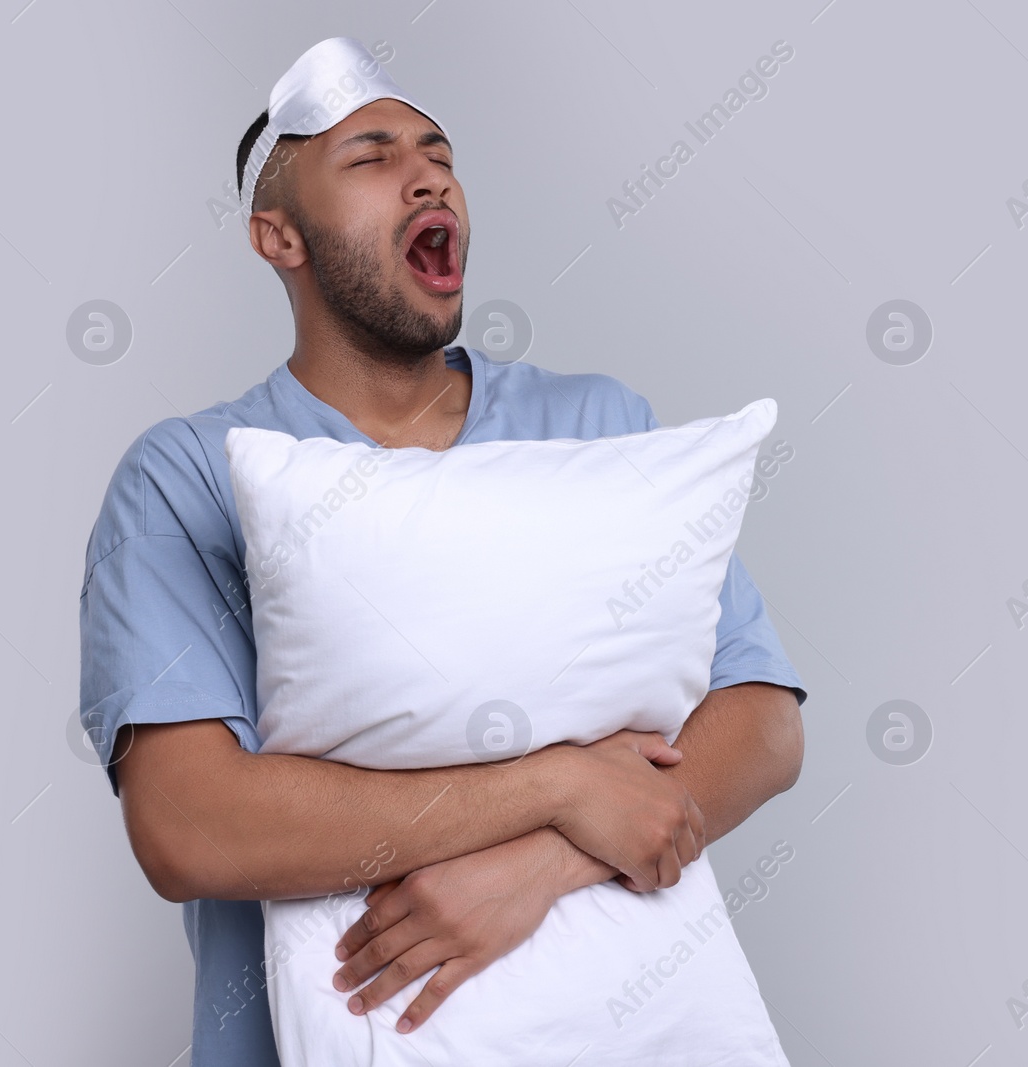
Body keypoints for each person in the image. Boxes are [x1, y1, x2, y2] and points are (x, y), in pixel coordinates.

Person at [77, 36, 807, 1066]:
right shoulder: (186, 478)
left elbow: (765, 722)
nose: (429, 176)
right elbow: (190, 825)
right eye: (370, 157)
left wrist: (543, 863)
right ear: (276, 236)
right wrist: (558, 786)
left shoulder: (596, 424)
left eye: (439, 155)